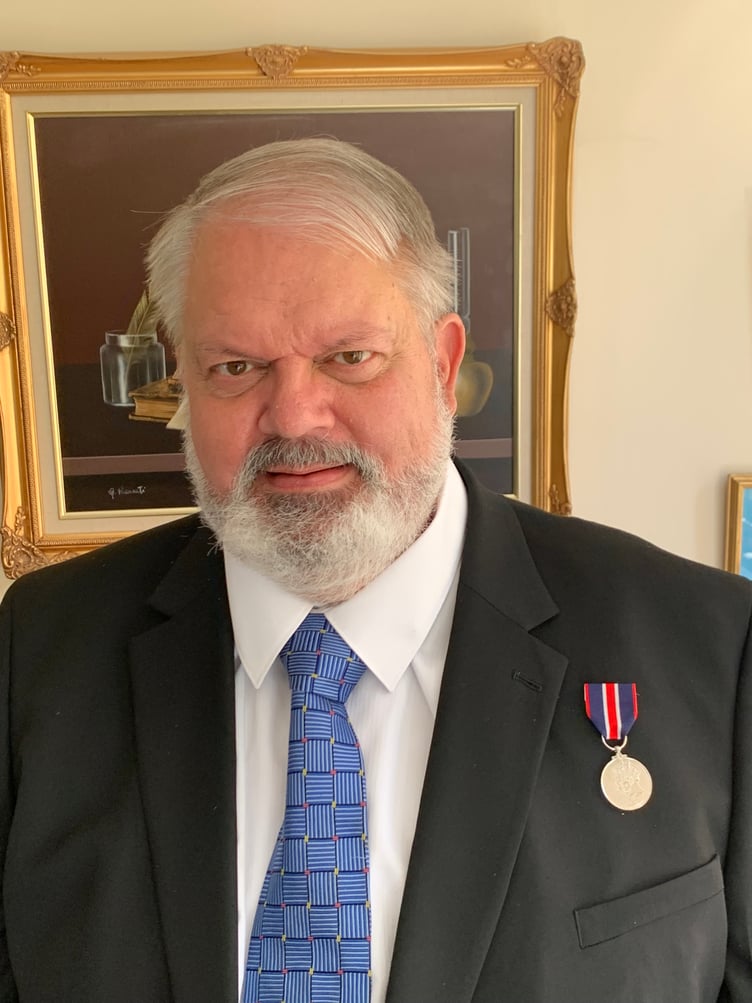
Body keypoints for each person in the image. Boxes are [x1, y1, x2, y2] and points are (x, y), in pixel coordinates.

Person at [0, 138, 750, 1003]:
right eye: (236, 367)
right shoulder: (42, 646)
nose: (294, 414)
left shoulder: (709, 646)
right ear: (187, 385)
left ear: (441, 361)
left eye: (348, 356)